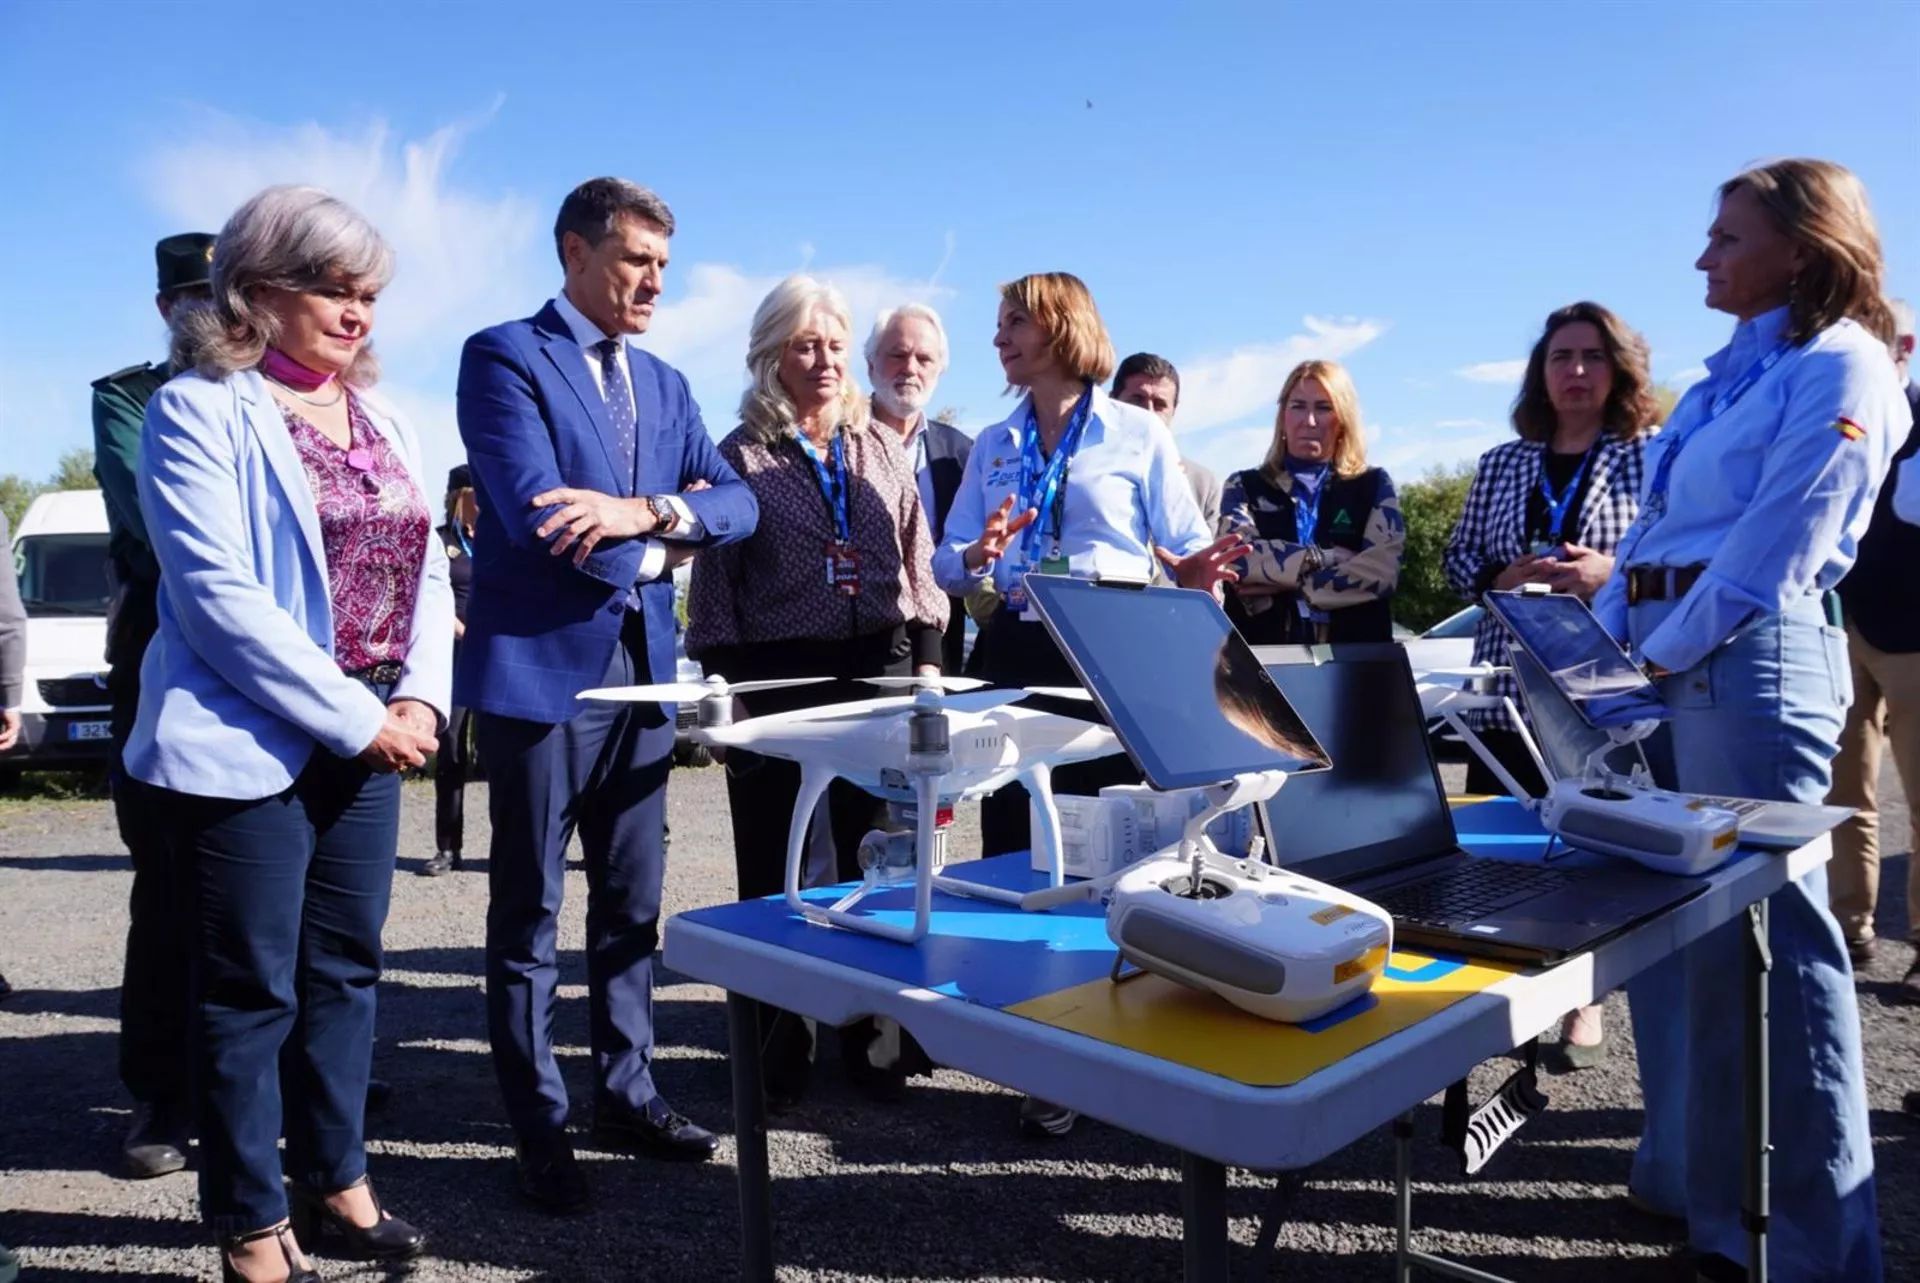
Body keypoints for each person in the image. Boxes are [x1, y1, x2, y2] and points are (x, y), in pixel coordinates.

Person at [1590, 159, 1907, 1283]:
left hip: (1750, 660)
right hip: (1670, 654)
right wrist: (1601, 647)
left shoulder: (1846, 365)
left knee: (1775, 946)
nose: (1702, 258)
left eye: (1727, 238)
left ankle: (1812, 1249)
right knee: (1680, 940)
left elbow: (1776, 551)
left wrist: (1648, 656)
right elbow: (1653, 536)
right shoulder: (1725, 380)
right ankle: (1702, 1193)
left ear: (1804, 247)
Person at [131, 185, 448, 1282]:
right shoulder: (196, 409)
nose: (357, 312)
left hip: (376, 736)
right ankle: (250, 1223)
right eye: (333, 288)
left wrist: (421, 700)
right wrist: (360, 717)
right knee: (249, 989)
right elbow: (217, 598)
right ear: (257, 289)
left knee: (346, 970)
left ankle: (337, 1180)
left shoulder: (387, 418)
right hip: (245, 747)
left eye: (370, 293)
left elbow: (428, 570)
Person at [456, 177, 757, 1214]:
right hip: (540, 675)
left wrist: (646, 512)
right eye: (637, 260)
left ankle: (627, 1093)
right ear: (575, 252)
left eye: (664, 264)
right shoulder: (505, 357)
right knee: (528, 911)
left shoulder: (665, 383)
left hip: (644, 674)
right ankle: (538, 1125)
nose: (655, 282)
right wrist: (670, 545)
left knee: (632, 903)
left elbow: (741, 501)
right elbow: (540, 517)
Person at [934, 271, 1243, 1137]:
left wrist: (1194, 574)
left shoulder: (1137, 432)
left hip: (1106, 652)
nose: (998, 337)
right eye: (998, 322)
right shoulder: (994, 442)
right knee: (1017, 848)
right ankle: (1034, 1039)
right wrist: (979, 552)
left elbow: (1186, 548)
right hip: (1014, 649)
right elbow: (947, 564)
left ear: (1062, 329)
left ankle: (1115, 1034)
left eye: (1014, 322)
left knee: (1105, 847)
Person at [688, 275, 949, 1107]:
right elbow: (715, 586)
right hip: (778, 681)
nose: (827, 360)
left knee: (880, 863)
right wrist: (727, 693)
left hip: (880, 672)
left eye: (836, 344)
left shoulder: (879, 448)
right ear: (772, 356)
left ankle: (877, 1042)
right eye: (806, 345)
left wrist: (928, 669)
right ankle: (778, 1046)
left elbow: (920, 561)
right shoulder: (739, 456)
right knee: (779, 867)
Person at [1442, 301, 1658, 1071]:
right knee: (1508, 839)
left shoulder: (1650, 454)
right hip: (1507, 681)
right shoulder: (1504, 462)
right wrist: (1499, 575)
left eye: (1592, 356)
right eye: (1561, 357)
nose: (1576, 371)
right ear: (1540, 372)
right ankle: (1503, 987)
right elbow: (1457, 559)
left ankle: (1585, 997)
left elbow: (1675, 558)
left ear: (1618, 369)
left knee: (1593, 840)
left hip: (1594, 683)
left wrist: (1612, 574)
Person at [90, 230, 215, 1179]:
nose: (214, 312)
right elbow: (160, 522)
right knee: (170, 878)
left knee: (287, 879)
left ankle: (289, 1069)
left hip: (279, 655)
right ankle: (164, 1090)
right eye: (195, 297)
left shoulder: (283, 394)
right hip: (162, 651)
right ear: (167, 308)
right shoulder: (131, 398)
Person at [1828, 296, 1920, 990]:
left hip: (1913, 639)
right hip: (1838, 633)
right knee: (1843, 797)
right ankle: (1848, 928)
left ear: (1904, 349)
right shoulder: (1836, 422)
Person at [1219, 360, 1404, 645]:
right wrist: (1323, 558)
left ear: (1343, 419)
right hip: (1263, 655)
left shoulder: (1373, 485)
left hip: (1355, 658)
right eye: (1298, 406)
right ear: (1283, 416)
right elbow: (1237, 560)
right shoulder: (1243, 486)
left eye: (1323, 408)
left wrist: (1287, 583)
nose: (1310, 420)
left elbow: (1382, 571)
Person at [867, 303, 975, 674]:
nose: (910, 368)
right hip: (864, 652)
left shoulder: (962, 455)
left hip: (942, 652)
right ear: (870, 365)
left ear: (939, 371)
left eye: (924, 359)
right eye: (897, 355)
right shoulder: (837, 443)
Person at [422, 464, 478, 877]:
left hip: (494, 655)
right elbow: (431, 596)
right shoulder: (440, 541)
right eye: (475, 494)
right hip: (455, 655)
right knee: (452, 750)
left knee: (504, 754)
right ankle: (447, 847)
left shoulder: (499, 540)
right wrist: (462, 631)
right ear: (457, 497)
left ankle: (510, 847)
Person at [1111, 351, 1221, 528]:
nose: (1149, 413)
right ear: (1112, 402)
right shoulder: (1081, 472)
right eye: (1137, 400)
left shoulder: (1202, 485)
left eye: (1159, 405)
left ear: (1174, 411)